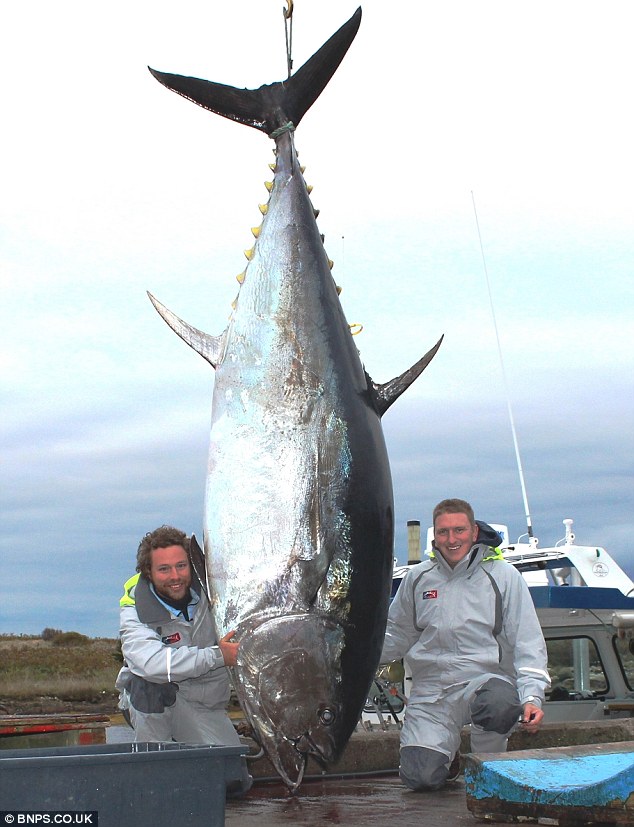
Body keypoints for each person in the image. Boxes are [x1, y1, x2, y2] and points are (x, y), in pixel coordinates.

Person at [380, 498, 550, 791]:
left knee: (498, 704)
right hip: (432, 691)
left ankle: (486, 765)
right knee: (420, 779)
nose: (451, 539)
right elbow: (396, 636)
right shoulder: (417, 579)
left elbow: (528, 640)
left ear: (474, 532)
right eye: (443, 532)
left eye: (459, 530)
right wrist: (351, 659)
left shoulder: (504, 576)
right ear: (435, 536)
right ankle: (447, 759)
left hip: (483, 682)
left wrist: (532, 696)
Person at [115, 525, 252, 796]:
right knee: (146, 683)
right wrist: (217, 656)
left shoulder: (217, 594)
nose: (175, 576)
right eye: (164, 569)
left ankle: (189, 751)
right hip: (157, 701)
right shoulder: (133, 611)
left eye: (181, 565)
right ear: (149, 573)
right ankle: (153, 778)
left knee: (232, 784)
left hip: (205, 706)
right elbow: (151, 664)